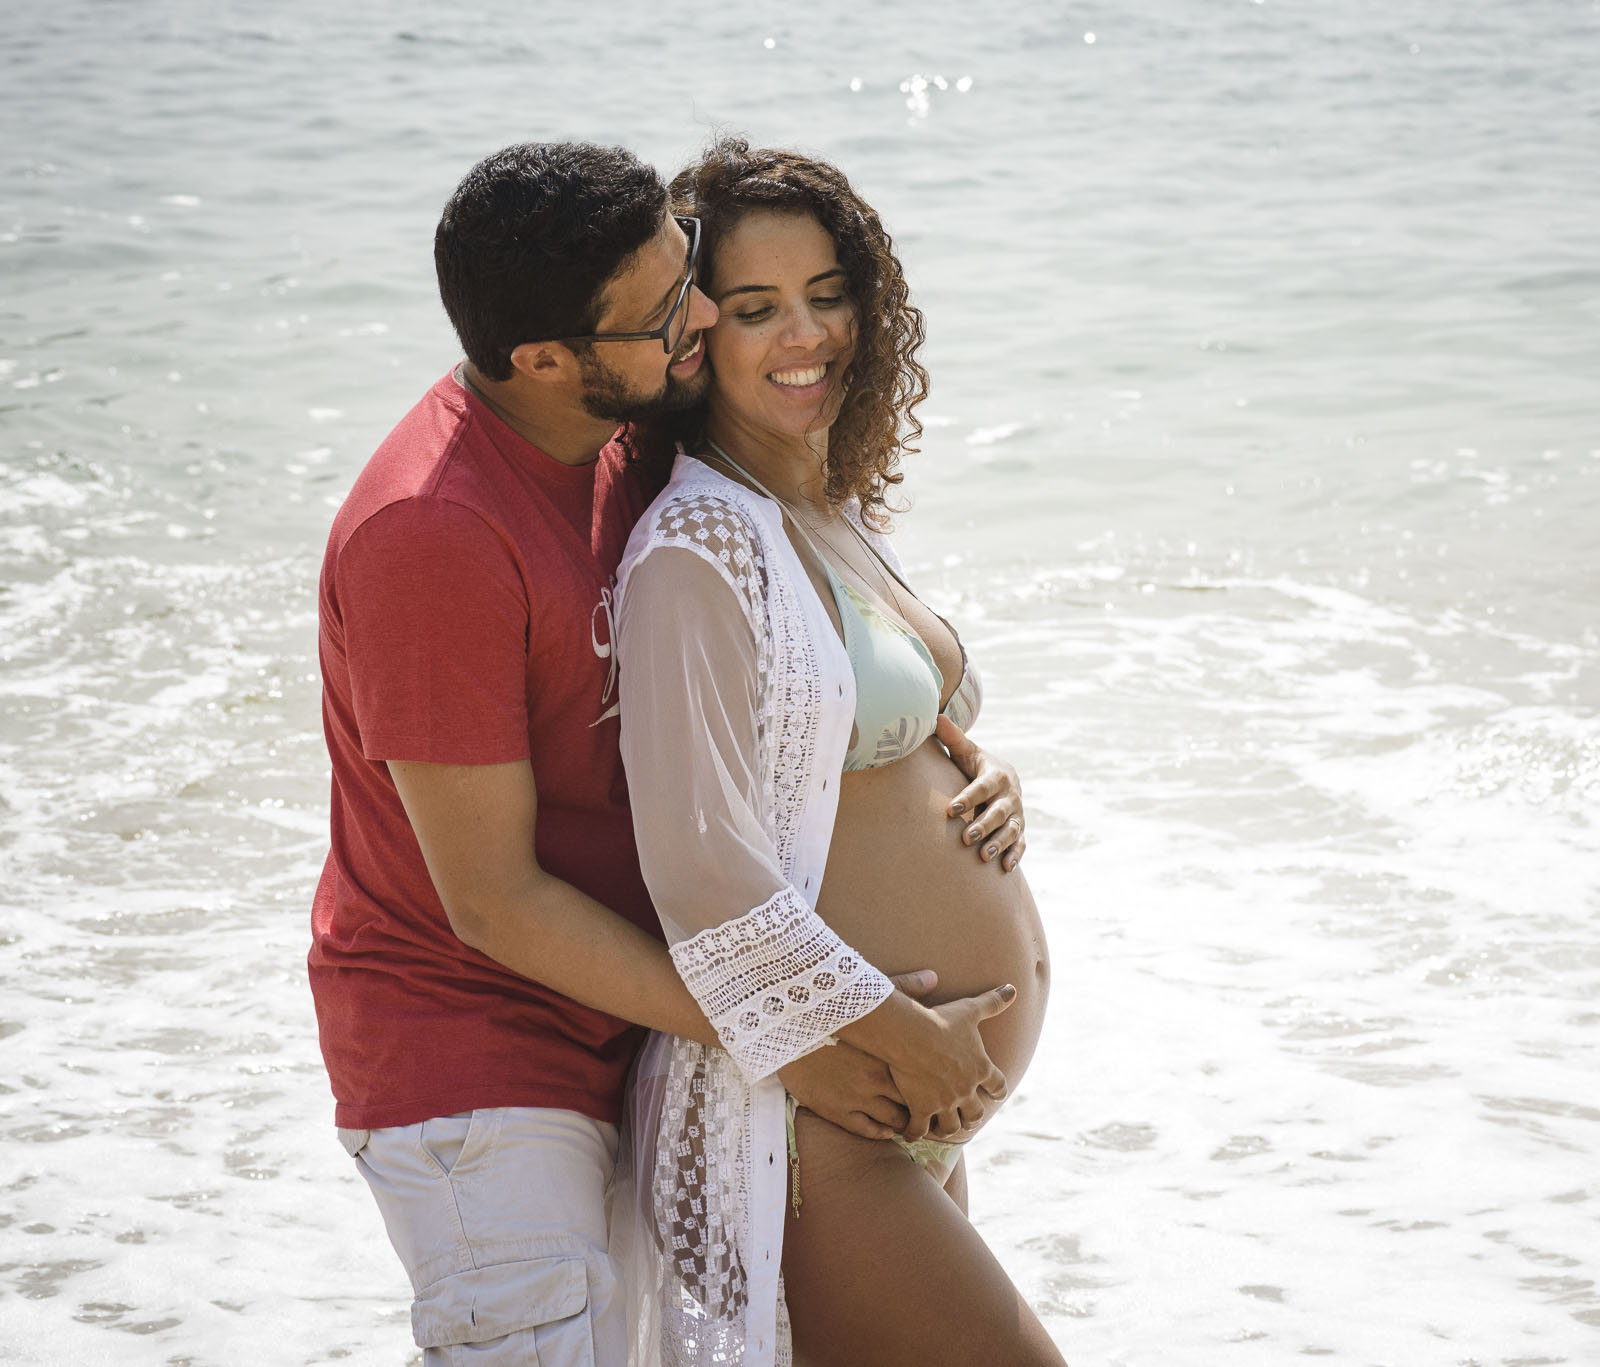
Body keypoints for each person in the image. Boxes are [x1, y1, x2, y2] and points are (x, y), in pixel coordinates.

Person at [309, 141, 1019, 1366]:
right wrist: (806, 1037)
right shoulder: (434, 533)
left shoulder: (619, 442)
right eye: (663, 311)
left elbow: (781, 687)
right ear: (544, 358)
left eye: (686, 273)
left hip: (635, 1017)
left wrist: (942, 754)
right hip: (480, 1056)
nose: (695, 317)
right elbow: (492, 901)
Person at [611, 138, 1064, 1366]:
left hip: (895, 1102)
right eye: (755, 308)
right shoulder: (693, 549)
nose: (802, 333)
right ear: (694, 338)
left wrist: (984, 776)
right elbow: (700, 865)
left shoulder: (824, 509)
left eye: (825, 294)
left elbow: (859, 747)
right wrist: (900, 1032)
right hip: (815, 1108)